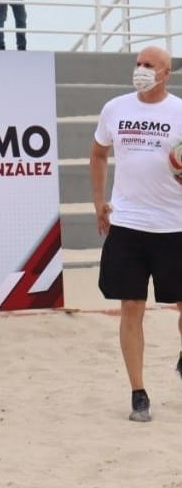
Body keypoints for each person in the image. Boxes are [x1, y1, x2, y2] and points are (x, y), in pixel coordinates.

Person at [90, 45, 182, 423]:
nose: (141, 70)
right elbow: (98, 153)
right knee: (131, 306)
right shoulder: (115, 108)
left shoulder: (179, 111)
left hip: (174, 225)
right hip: (127, 223)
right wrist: (99, 201)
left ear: (166, 73)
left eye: (149, 65)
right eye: (138, 63)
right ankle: (138, 393)